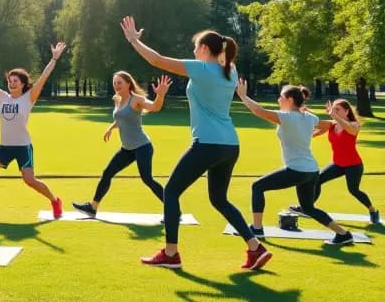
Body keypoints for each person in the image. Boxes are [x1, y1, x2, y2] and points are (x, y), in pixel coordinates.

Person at [120, 16, 269, 270]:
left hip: (207, 144)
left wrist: (134, 40)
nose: (193, 51)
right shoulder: (229, 71)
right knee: (219, 199)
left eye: (195, 46)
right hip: (230, 145)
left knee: (171, 192)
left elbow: (157, 60)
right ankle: (255, 247)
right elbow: (222, 61)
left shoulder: (203, 69)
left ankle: (170, 254)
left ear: (203, 49)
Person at [0, 40, 67, 218]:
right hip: (4, 147)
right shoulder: (2, 97)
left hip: (23, 146)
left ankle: (55, 201)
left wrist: (54, 59)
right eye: (9, 81)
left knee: (29, 180)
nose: (11, 83)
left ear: (23, 84)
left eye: (15, 81)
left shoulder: (29, 98)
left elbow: (43, 79)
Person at [237, 82, 354, 245]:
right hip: (312, 171)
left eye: (281, 97)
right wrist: (311, 134)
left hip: (296, 170)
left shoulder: (287, 117)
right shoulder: (309, 117)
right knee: (308, 208)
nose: (279, 100)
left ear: (290, 100)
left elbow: (258, 111)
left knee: (257, 186)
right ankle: (343, 234)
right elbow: (329, 125)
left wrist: (242, 95)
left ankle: (257, 228)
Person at [72, 72, 171, 217]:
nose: (116, 85)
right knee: (107, 173)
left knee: (147, 179)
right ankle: (92, 207)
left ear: (128, 84)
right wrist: (111, 128)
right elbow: (121, 118)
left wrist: (160, 95)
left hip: (142, 146)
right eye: (115, 83)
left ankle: (173, 209)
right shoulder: (117, 99)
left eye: (120, 83)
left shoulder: (136, 100)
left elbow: (155, 107)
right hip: (127, 149)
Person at [289, 99, 380, 224]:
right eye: (334, 109)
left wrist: (335, 117)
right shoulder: (332, 124)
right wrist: (304, 114)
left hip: (353, 165)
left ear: (347, 111)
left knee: (354, 190)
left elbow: (350, 130)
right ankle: (307, 208)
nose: (334, 112)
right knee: (317, 180)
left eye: (338, 110)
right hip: (337, 164)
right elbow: (316, 127)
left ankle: (373, 210)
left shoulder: (354, 125)